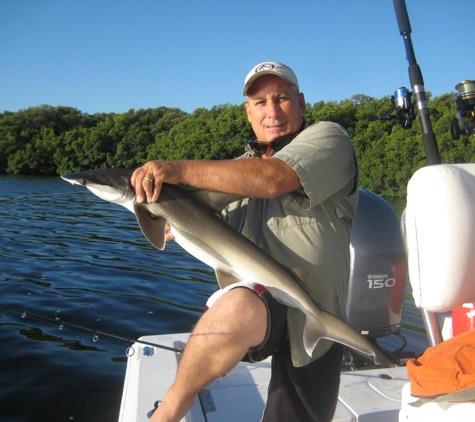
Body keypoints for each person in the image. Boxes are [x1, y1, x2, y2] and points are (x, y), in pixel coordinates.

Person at [131, 62, 359, 422]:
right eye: (260, 101)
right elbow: (203, 223)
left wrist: (173, 170)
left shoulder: (330, 138)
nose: (272, 111)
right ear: (248, 111)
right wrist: (169, 222)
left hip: (315, 307)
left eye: (282, 98)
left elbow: (271, 179)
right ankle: (171, 408)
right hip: (261, 303)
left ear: (301, 102)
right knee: (236, 305)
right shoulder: (233, 172)